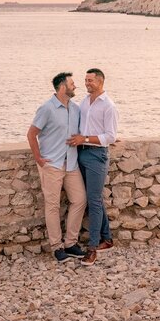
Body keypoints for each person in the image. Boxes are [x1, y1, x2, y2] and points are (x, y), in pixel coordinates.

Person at [27, 72, 87, 263]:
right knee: (52, 206)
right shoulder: (47, 108)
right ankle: (57, 247)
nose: (75, 86)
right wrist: (39, 159)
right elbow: (31, 134)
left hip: (71, 163)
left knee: (79, 200)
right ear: (63, 87)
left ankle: (71, 243)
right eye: (72, 83)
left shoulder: (76, 109)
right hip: (52, 164)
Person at [67, 68, 119, 266]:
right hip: (81, 153)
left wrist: (86, 139)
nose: (87, 83)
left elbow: (110, 136)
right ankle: (107, 239)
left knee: (94, 201)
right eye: (85, 80)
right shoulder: (85, 102)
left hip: (97, 155)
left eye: (90, 80)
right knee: (93, 199)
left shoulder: (109, 106)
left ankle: (92, 248)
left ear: (100, 81)